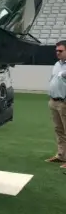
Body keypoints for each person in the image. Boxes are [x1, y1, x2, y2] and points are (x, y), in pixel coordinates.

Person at [46, 40, 66, 168]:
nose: (57, 53)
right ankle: (61, 155)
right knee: (59, 130)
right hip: (53, 101)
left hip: (64, 102)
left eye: (61, 51)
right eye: (56, 51)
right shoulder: (57, 64)